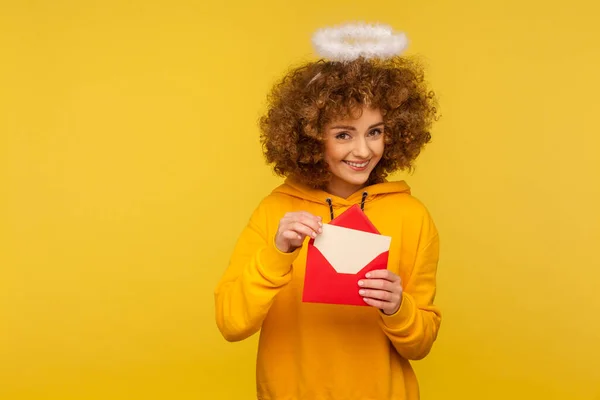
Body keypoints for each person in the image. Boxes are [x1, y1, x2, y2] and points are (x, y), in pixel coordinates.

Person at [214, 22, 441, 400]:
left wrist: (398, 307)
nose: (363, 151)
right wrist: (277, 255)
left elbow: (420, 345)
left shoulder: (413, 217)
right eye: (343, 134)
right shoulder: (277, 211)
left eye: (375, 131)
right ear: (309, 136)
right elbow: (231, 323)